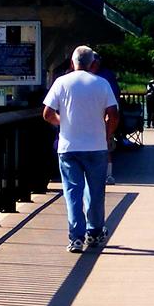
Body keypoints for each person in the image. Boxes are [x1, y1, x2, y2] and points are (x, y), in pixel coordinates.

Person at [43, 45, 119, 252]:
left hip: (69, 146)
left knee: (72, 192)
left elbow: (47, 114)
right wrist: (107, 134)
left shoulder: (61, 82)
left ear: (72, 62)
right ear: (92, 63)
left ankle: (75, 237)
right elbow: (114, 115)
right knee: (95, 192)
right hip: (96, 147)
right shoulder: (102, 83)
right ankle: (94, 233)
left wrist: (64, 123)